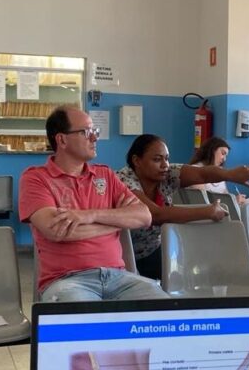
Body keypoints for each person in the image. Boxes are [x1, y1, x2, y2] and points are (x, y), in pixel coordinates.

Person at [18, 106, 166, 302]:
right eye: (86, 132)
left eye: (95, 132)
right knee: (86, 322)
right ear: (61, 139)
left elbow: (144, 216)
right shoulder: (36, 178)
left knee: (166, 311)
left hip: (120, 278)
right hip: (67, 281)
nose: (95, 138)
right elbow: (57, 231)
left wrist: (89, 215)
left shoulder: (105, 175)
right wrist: (117, 221)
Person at [117, 134, 249, 281]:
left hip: (151, 248)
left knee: (200, 274)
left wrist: (230, 174)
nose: (165, 165)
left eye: (167, 158)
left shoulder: (166, 173)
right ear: (136, 160)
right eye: (157, 159)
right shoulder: (124, 180)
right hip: (123, 255)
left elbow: (202, 174)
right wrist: (206, 211)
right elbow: (155, 215)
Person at [186, 136, 246, 204]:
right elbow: (204, 202)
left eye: (226, 156)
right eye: (223, 153)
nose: (224, 159)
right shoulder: (195, 170)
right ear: (212, 150)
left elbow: (226, 196)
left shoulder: (220, 172)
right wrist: (234, 201)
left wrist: (235, 199)